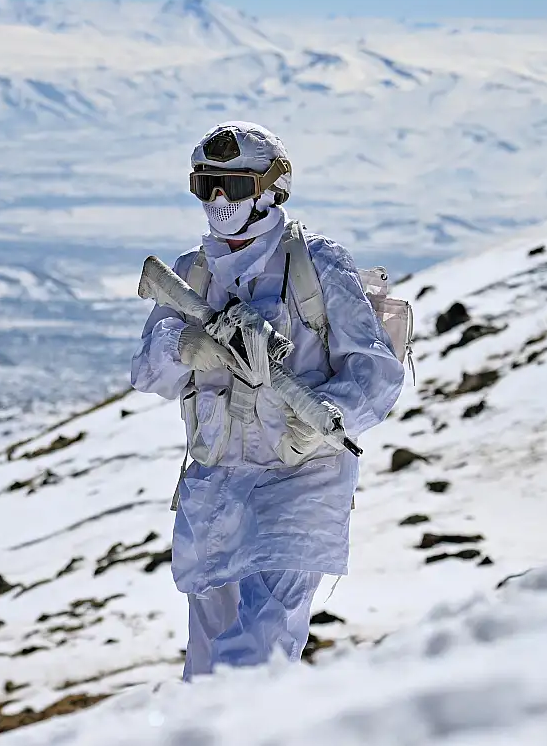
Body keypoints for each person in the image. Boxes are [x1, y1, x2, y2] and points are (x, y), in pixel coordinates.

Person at [130, 121, 404, 679]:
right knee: (206, 665)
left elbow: (376, 373)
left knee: (256, 655)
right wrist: (187, 345)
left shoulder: (319, 264)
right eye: (204, 184)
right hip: (216, 490)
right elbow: (146, 372)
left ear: (268, 188)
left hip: (299, 484)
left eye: (230, 186)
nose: (216, 200)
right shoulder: (193, 272)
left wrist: (324, 418)